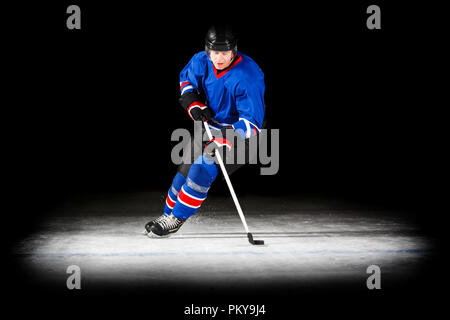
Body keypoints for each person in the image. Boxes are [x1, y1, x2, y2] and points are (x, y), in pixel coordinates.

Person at [144, 25, 265, 236]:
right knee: (184, 171)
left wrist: (225, 137)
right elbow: (187, 81)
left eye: (225, 53)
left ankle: (176, 219)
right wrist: (194, 104)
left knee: (202, 167)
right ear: (207, 50)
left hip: (242, 136)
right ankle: (166, 215)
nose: (219, 58)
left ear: (234, 51)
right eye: (215, 52)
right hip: (210, 128)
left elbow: (252, 123)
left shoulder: (249, 76)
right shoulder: (201, 60)